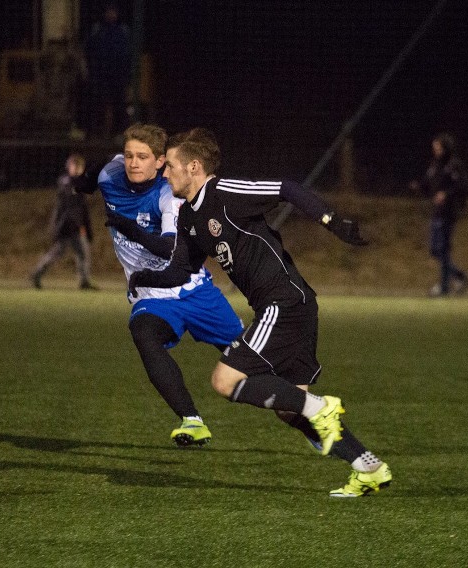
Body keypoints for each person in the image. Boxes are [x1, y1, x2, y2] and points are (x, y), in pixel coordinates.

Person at [129, 128, 392, 497]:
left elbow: (287, 188)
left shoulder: (225, 192)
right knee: (290, 408)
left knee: (225, 380)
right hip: (292, 306)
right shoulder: (189, 216)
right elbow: (181, 270)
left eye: (169, 165)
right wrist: (143, 276)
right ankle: (369, 467)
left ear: (193, 166)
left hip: (283, 302)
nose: (164, 172)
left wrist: (332, 220)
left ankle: (320, 406)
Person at [81, 123, 243, 447]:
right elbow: (92, 173)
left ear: (160, 162)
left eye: (143, 157)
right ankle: (192, 420)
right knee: (143, 332)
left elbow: (169, 249)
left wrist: (130, 228)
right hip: (152, 295)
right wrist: (79, 182)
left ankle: (304, 403)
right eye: (128, 155)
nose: (133, 163)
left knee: (249, 357)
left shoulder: (170, 195)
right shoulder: (109, 174)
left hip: (193, 288)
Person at [411, 133, 468, 297]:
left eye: (438, 148)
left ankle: (444, 287)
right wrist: (419, 186)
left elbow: (463, 185)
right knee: (436, 250)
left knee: (442, 249)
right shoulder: (435, 165)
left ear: (445, 148)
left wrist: (446, 194)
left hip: (448, 213)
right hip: (437, 213)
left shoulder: (453, 165)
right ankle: (459, 276)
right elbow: (428, 183)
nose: (435, 151)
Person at [30, 153, 97, 290]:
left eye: (80, 167)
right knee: (57, 253)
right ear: (70, 167)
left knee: (83, 254)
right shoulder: (66, 182)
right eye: (75, 166)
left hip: (76, 227)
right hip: (66, 226)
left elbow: (82, 209)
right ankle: (36, 274)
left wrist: (86, 227)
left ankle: (84, 282)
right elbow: (66, 206)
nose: (78, 169)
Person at [82, 3, 131, 139]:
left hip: (117, 75)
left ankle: (118, 132)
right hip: (100, 75)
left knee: (118, 104)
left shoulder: (122, 30)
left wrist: (127, 76)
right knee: (99, 104)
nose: (111, 15)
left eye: (113, 12)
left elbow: (127, 54)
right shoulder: (98, 30)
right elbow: (89, 50)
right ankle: (96, 132)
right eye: (108, 12)